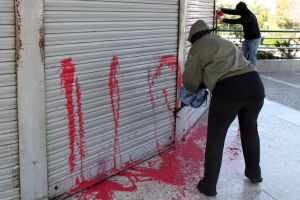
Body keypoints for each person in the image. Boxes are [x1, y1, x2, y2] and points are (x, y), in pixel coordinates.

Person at [182, 20, 265, 197]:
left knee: (216, 138)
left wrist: (201, 82)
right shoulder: (224, 41)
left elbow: (190, 82)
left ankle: (209, 185)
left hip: (229, 92)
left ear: (192, 38)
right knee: (250, 131)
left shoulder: (197, 48)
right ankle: (254, 173)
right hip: (255, 86)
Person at [218, 2, 261, 66]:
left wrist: (223, 20)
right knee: (243, 55)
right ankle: (243, 70)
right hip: (248, 38)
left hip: (254, 39)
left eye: (238, 10)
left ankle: (254, 72)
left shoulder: (249, 16)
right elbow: (233, 12)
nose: (237, 12)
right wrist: (221, 9)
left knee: (252, 56)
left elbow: (237, 21)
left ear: (242, 9)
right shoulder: (243, 12)